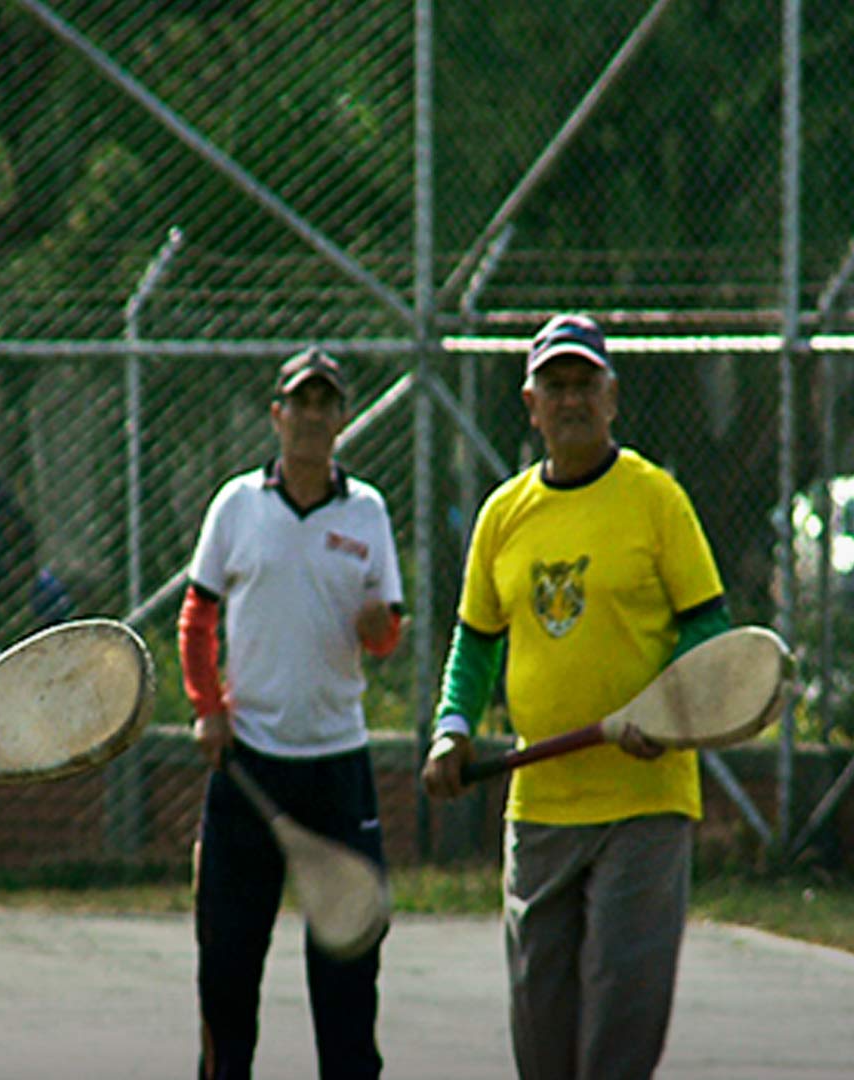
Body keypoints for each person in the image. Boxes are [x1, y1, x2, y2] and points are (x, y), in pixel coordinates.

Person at [422, 314, 730, 1080]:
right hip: (542, 805)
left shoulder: (656, 498)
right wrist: (451, 727)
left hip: (645, 804)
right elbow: (475, 643)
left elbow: (709, 628)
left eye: (584, 384)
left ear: (611, 396)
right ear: (531, 405)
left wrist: (664, 711)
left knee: (619, 1027)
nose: (571, 400)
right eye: (554, 386)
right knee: (542, 1032)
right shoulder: (503, 515)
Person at [179, 347, 404, 1079]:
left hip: (338, 770)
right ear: (277, 415)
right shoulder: (237, 506)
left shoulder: (367, 510)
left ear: (342, 418)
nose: (311, 416)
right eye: (298, 403)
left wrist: (378, 628)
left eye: (324, 403)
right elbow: (197, 618)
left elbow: (388, 633)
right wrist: (209, 709)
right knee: (228, 969)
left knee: (348, 972)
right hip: (248, 768)